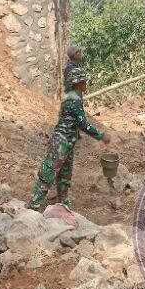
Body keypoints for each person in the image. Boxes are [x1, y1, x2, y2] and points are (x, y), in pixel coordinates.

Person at [28, 69, 111, 210]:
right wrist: (101, 136)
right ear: (78, 83)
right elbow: (83, 124)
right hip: (61, 142)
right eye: (84, 81)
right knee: (48, 173)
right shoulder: (74, 100)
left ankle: (63, 203)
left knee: (65, 175)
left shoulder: (73, 97)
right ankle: (33, 205)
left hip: (67, 142)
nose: (86, 84)